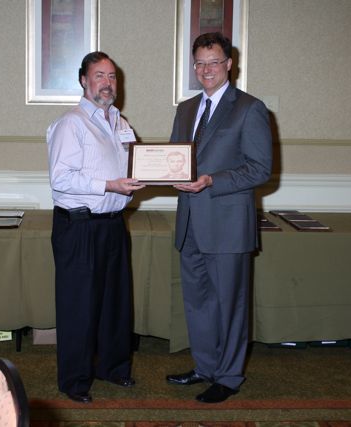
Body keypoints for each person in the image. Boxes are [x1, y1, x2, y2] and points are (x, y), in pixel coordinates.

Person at [166, 32, 273, 402]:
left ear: (229, 64)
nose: (206, 69)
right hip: (190, 224)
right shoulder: (185, 109)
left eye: (214, 62)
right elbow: (175, 160)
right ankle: (205, 366)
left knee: (230, 305)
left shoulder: (250, 108)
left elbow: (260, 169)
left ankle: (228, 377)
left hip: (227, 226)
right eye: (200, 63)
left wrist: (213, 180)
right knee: (198, 303)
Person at [46, 51, 145, 403]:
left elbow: (134, 166)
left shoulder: (120, 122)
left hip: (113, 225)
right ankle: (75, 381)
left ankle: (113, 368)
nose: (107, 83)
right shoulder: (70, 124)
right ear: (83, 81)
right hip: (79, 228)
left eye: (112, 76)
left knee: (115, 303)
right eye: (99, 75)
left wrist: (148, 176)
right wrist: (109, 185)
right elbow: (60, 179)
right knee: (79, 307)